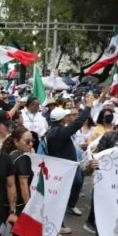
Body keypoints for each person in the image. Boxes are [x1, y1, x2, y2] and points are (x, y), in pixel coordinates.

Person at [45, 92, 94, 221]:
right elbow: (78, 123)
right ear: (63, 119)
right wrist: (88, 107)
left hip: (67, 165)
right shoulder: (60, 132)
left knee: (77, 183)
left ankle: (69, 206)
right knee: (63, 191)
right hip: (64, 167)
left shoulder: (52, 130)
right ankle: (57, 221)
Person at [0, 127, 35, 236]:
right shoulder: (23, 159)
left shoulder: (11, 155)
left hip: (7, 203)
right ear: (16, 141)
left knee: (10, 234)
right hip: (18, 205)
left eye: (32, 140)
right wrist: (29, 207)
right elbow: (23, 184)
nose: (30, 143)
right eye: (27, 141)